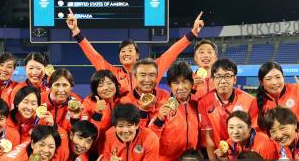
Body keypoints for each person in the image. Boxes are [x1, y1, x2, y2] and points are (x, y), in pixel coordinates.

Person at [66, 9, 205, 96]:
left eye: (130, 50)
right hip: (125, 124)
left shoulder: (152, 69)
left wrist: (192, 33)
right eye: (122, 51)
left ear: (137, 55)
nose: (125, 53)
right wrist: (76, 32)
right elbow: (95, 57)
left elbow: (171, 53)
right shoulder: (113, 73)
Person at [149, 61, 200, 161]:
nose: (181, 87)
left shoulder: (196, 106)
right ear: (170, 86)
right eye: (176, 83)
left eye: (185, 82)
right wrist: (159, 119)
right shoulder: (161, 107)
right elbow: (150, 138)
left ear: (191, 84)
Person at [197, 59, 254, 159]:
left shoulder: (250, 101)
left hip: (244, 155)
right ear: (213, 79)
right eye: (218, 76)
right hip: (218, 154)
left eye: (227, 76)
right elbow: (208, 136)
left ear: (235, 79)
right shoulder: (204, 102)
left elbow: (253, 134)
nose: (223, 81)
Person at [119, 58, 170, 126]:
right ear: (135, 77)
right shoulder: (125, 101)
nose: (147, 80)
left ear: (156, 77)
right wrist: (143, 111)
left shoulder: (164, 95)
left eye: (151, 75)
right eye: (143, 75)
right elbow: (130, 133)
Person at [212, 111, 278, 161]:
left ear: (249, 128)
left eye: (240, 127)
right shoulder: (229, 143)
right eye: (231, 127)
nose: (235, 132)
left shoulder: (265, 144)